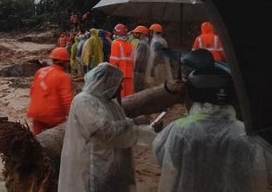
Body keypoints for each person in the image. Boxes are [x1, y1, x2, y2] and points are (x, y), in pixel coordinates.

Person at [153, 49, 267, 192]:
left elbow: (161, 157)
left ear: (192, 96)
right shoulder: (247, 134)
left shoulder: (178, 131)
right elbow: (262, 169)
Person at [58, 63, 157, 192]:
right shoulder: (84, 101)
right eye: (118, 84)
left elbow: (120, 124)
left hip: (110, 166)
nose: (120, 88)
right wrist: (133, 123)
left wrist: (144, 128)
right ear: (106, 82)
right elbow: (104, 130)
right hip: (93, 165)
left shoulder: (110, 103)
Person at [26, 47, 74, 135]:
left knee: (36, 139)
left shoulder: (40, 71)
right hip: (53, 116)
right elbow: (68, 101)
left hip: (36, 112)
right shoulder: (63, 77)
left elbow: (32, 91)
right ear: (65, 63)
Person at [109, 23, 134, 97]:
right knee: (129, 96)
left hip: (119, 74)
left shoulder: (115, 43)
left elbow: (114, 61)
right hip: (129, 74)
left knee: (121, 97)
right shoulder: (129, 44)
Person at [130, 25, 151, 92]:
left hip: (138, 71)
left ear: (141, 34)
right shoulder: (144, 43)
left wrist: (133, 69)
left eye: (136, 33)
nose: (135, 35)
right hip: (141, 70)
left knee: (137, 90)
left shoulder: (141, 44)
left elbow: (138, 58)